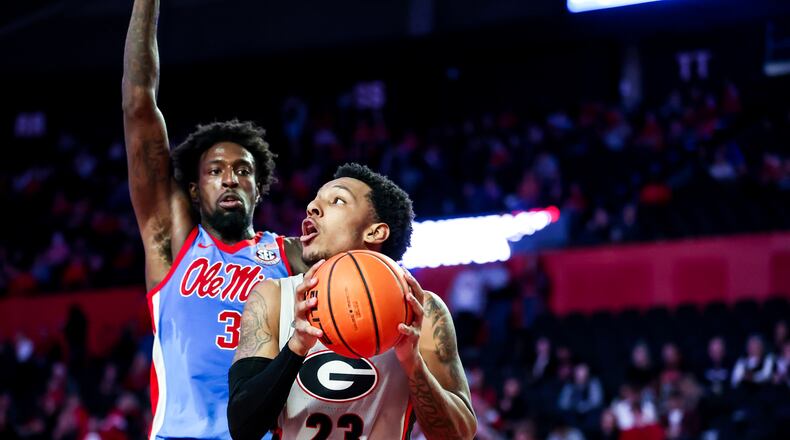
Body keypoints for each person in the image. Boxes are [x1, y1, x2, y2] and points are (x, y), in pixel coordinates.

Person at [122, 1, 306, 438]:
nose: (229, 179)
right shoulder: (172, 242)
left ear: (259, 189)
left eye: (243, 170)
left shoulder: (290, 256)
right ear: (193, 189)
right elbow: (137, 103)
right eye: (214, 171)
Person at [227, 163, 477, 439]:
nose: (312, 207)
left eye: (337, 200)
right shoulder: (273, 296)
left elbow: (459, 435)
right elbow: (242, 427)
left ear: (375, 232)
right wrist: (296, 346)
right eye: (315, 200)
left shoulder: (422, 309)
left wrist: (413, 363)